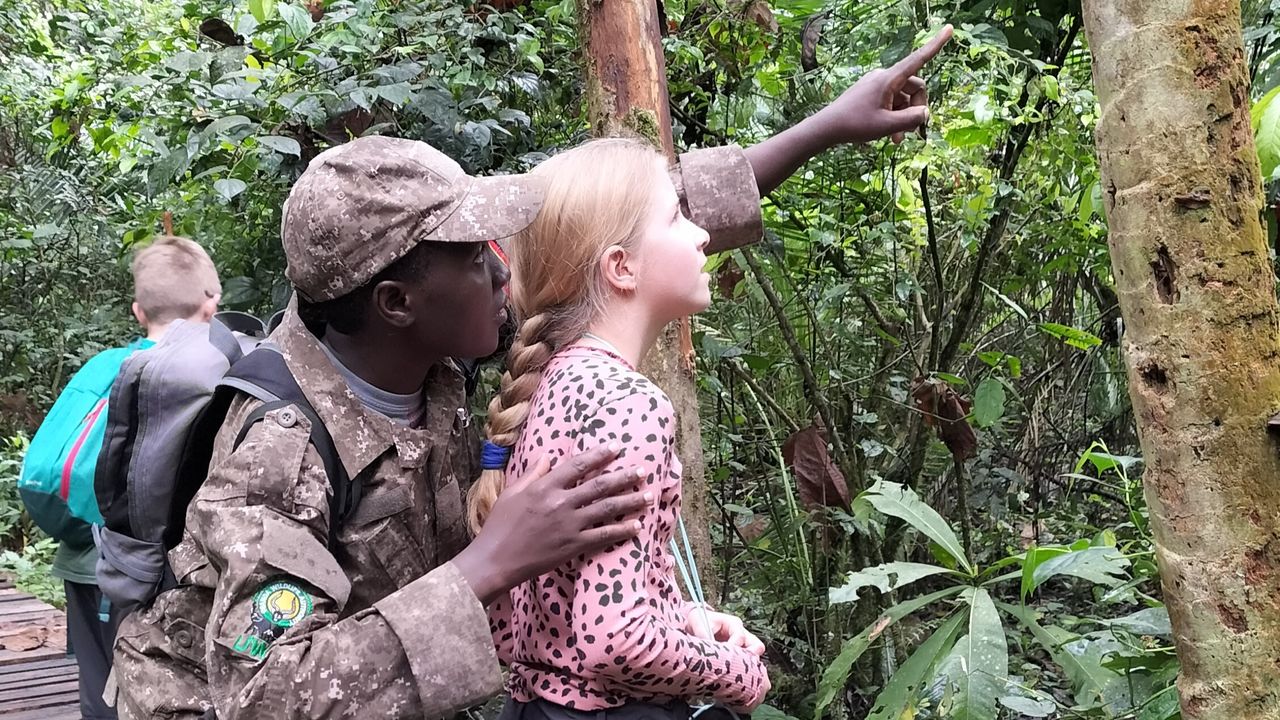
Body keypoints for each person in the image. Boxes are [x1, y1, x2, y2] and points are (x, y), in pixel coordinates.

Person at [111, 25, 950, 720]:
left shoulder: (432, 334)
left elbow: (611, 234)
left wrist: (824, 128)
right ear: (399, 300)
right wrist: (490, 564)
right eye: (478, 255)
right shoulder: (278, 447)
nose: (504, 268)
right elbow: (262, 694)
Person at [471, 138, 771, 720]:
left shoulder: (553, 386)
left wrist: (683, 620)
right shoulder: (626, 404)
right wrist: (738, 674)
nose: (701, 234)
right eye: (675, 216)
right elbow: (616, 640)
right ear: (621, 267)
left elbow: (558, 607)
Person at [26, 235, 221, 720]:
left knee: (100, 692)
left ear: (138, 311)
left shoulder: (103, 366)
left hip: (84, 560)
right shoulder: (218, 372)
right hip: (161, 571)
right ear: (211, 304)